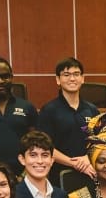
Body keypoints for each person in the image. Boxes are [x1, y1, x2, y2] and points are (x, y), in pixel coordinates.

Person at [38, 57, 100, 186]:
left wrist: (88, 158)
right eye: (66, 74)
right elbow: (45, 147)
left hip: (90, 171)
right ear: (58, 80)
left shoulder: (92, 110)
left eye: (76, 74)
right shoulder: (49, 110)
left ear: (83, 78)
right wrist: (73, 163)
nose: (72, 79)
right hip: (60, 175)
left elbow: (100, 142)